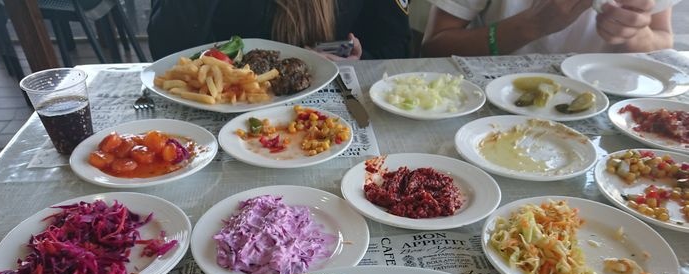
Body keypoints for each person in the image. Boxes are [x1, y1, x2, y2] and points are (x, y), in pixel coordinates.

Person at [148, 0, 412, 61]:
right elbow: (166, 51)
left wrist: (361, 60)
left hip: (336, 100)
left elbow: (397, 45)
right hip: (228, 104)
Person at [420, 0, 674, 56]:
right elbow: (435, 47)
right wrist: (530, 26)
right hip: (493, 109)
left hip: (614, 111)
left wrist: (635, 34)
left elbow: (663, 39)